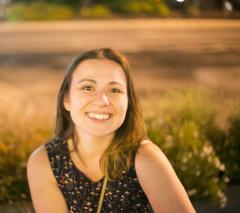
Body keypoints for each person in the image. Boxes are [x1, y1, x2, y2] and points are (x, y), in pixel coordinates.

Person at [27, 48, 195, 213]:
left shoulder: (144, 159)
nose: (102, 101)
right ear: (67, 99)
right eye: (88, 88)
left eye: (114, 90)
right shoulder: (45, 162)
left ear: (128, 101)